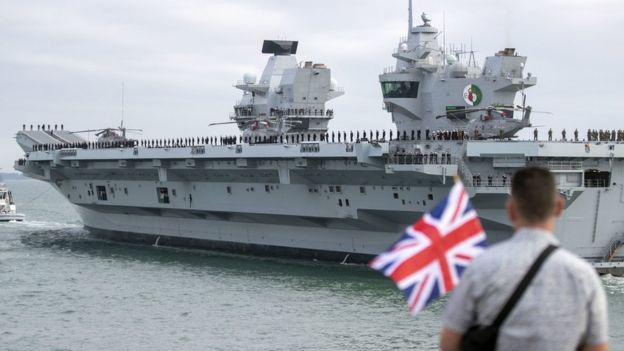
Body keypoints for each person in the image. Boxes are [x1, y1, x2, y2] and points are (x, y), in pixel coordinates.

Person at [440, 167, 608, 351]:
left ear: (511, 209)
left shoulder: (479, 268)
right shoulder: (584, 276)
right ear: (559, 207)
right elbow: (597, 347)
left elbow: (449, 344)